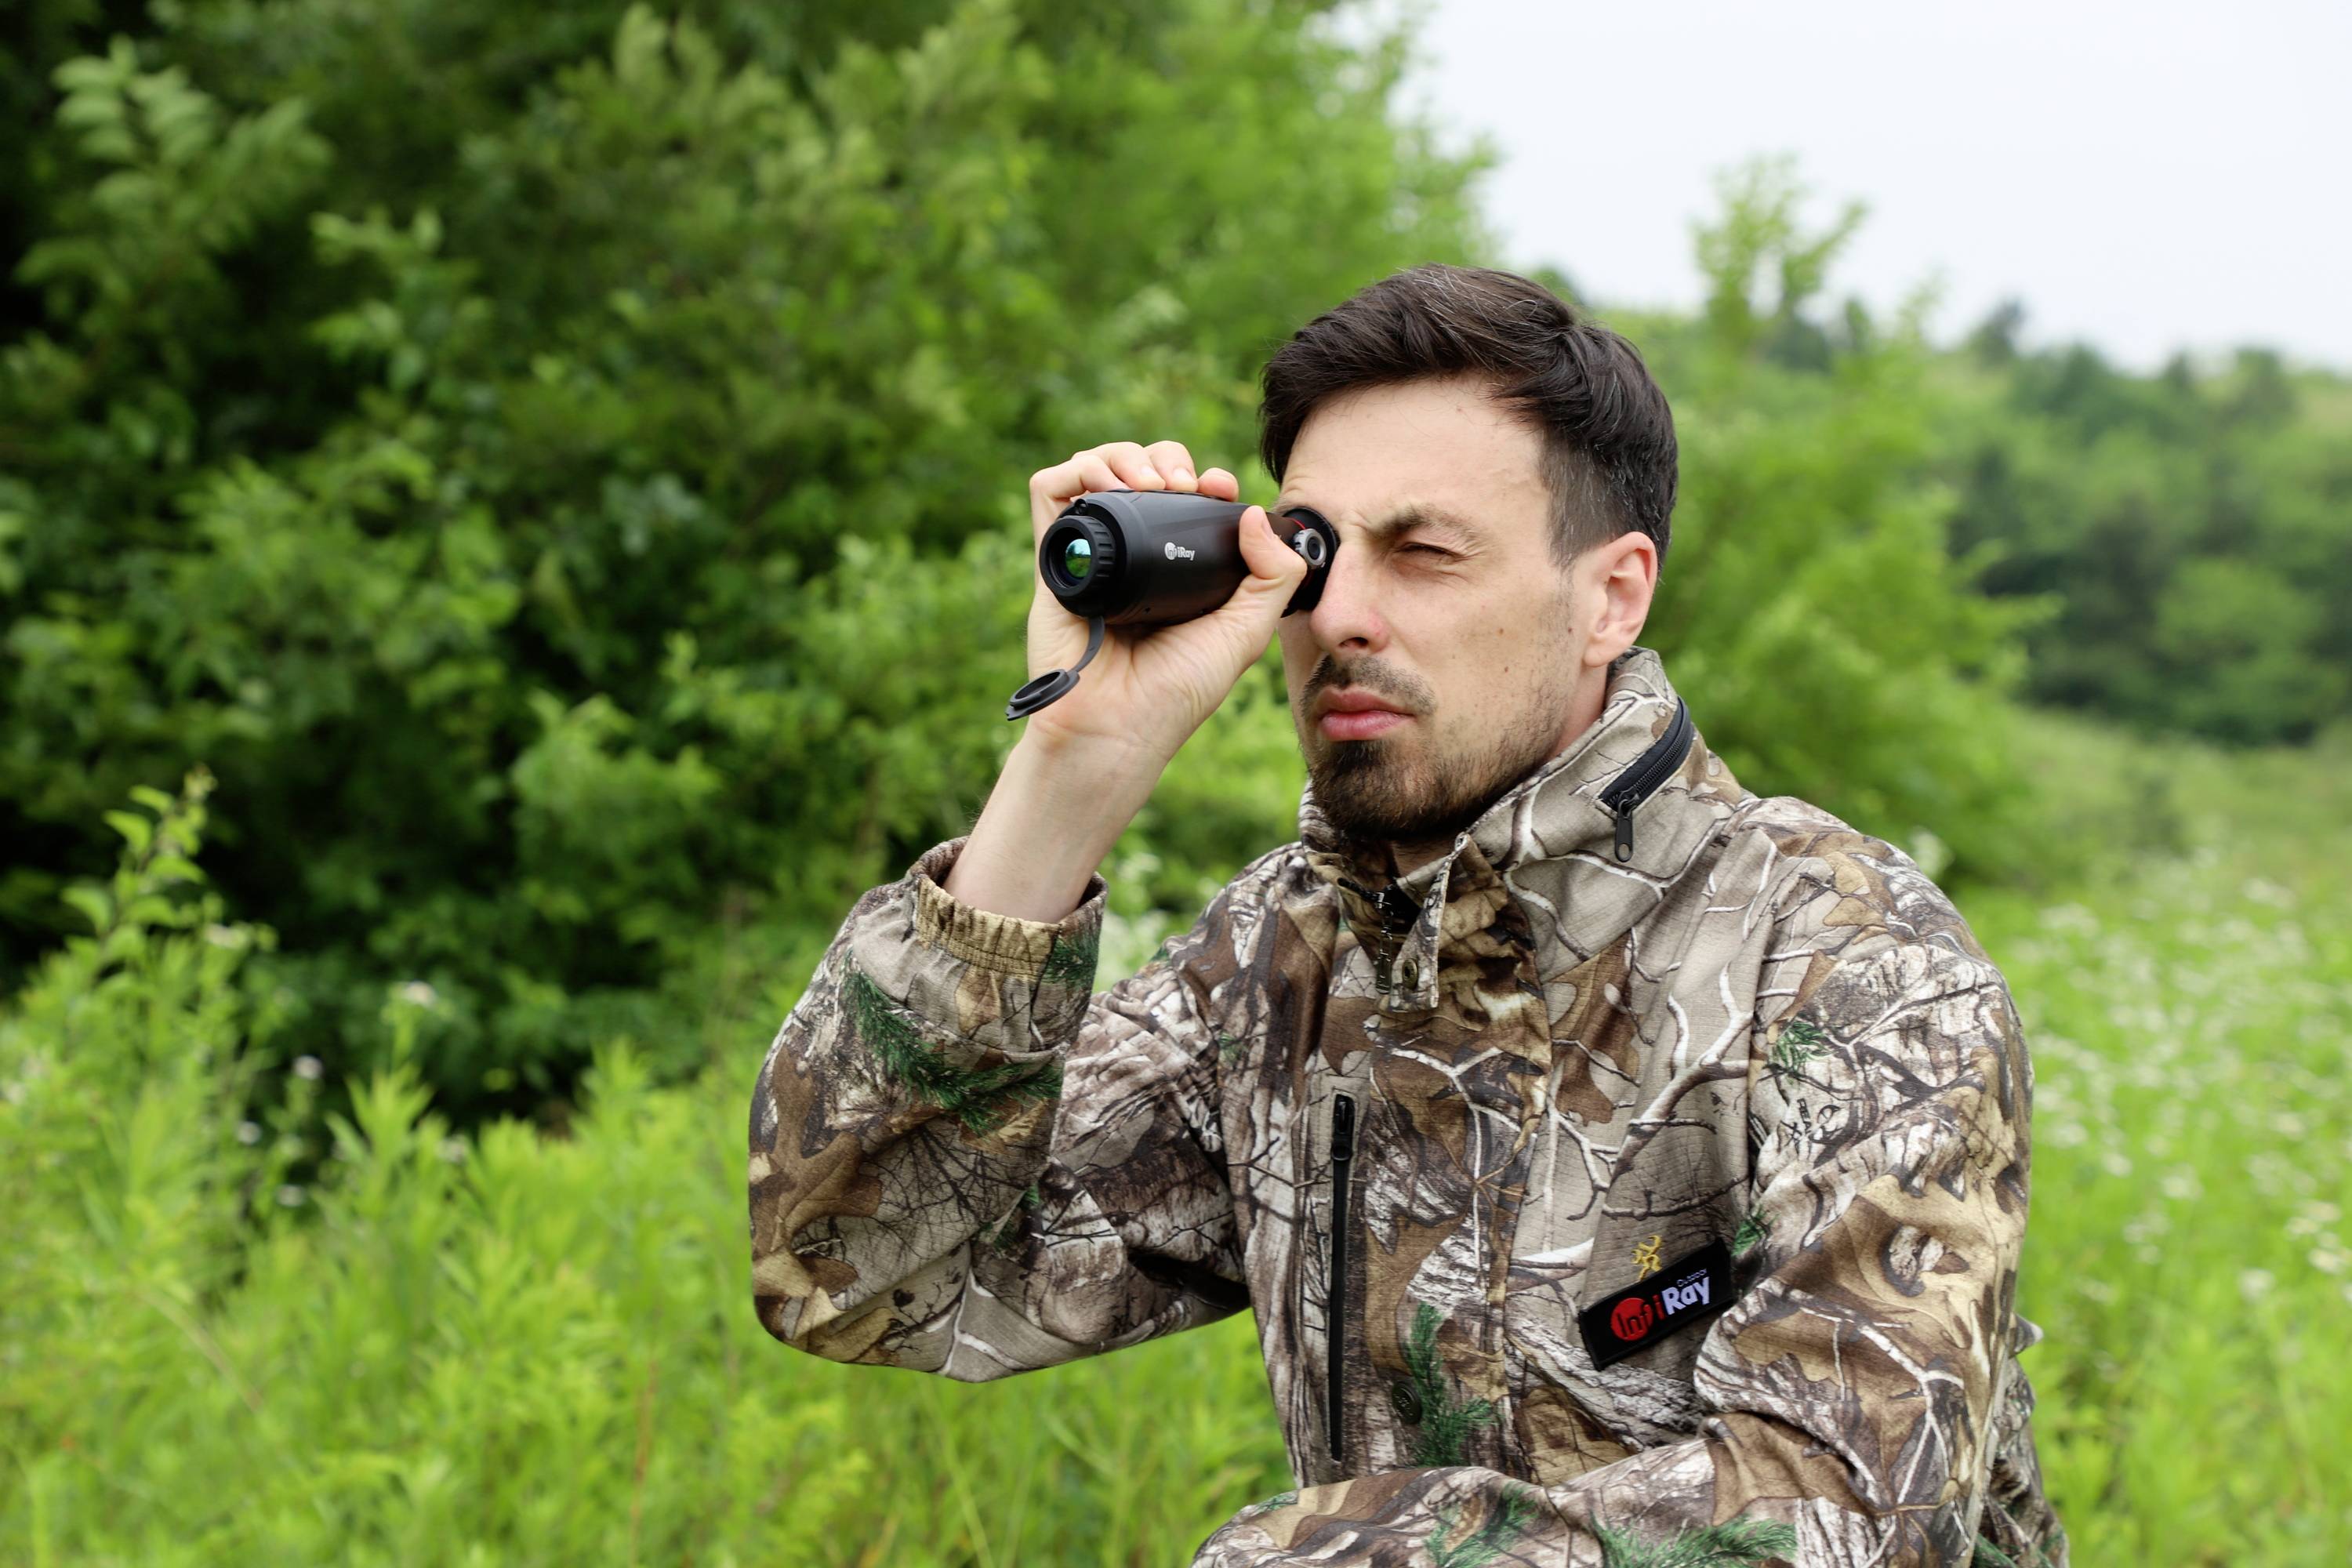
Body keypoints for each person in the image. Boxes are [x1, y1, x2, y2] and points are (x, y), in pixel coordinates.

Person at [747, 263, 2067, 1568]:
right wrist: (1069, 770)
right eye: (1310, 553)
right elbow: (854, 1274)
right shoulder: (1284, 957)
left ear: (1612, 596)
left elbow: (1849, 1519)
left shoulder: (1847, 963)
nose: (1339, 617)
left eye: (1425, 553)